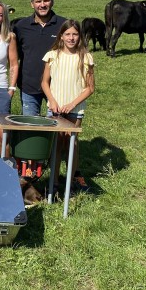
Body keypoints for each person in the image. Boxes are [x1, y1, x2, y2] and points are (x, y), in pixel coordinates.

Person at [41, 19, 95, 192]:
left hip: (75, 110)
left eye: (75, 34)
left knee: (71, 145)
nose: (71, 38)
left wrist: (72, 104)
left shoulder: (86, 58)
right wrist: (53, 101)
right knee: (56, 146)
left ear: (80, 37)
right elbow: (44, 82)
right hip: (55, 109)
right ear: (61, 36)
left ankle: (70, 183)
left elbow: (90, 88)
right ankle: (54, 183)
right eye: (68, 34)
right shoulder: (52, 55)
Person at [14, 0, 66, 116]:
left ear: (52, 2)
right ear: (32, 4)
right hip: (29, 86)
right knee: (30, 128)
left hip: (56, 87)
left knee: (56, 129)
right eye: (38, 1)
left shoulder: (64, 25)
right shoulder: (21, 26)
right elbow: (16, 56)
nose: (42, 5)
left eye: (46, 1)